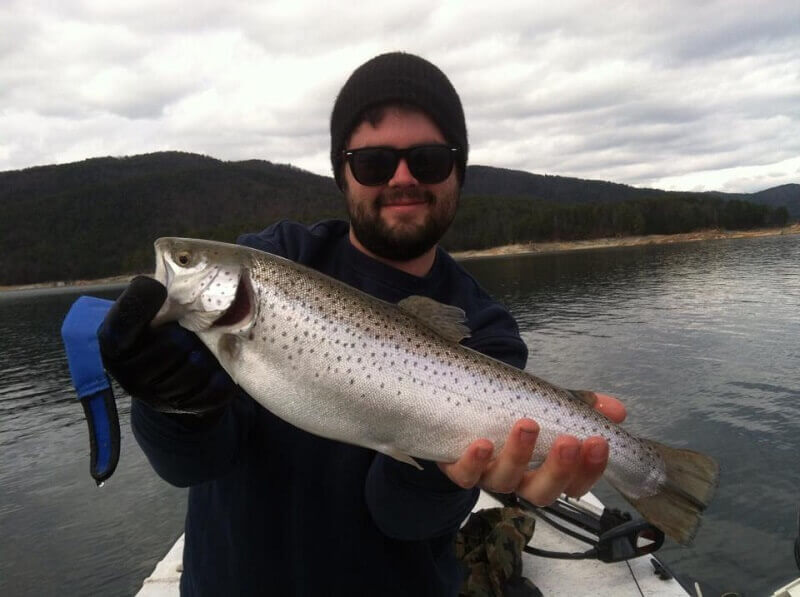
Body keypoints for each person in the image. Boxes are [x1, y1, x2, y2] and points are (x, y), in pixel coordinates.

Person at [99, 52, 625, 596]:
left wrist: (447, 478)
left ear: (458, 171)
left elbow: (402, 519)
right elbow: (192, 463)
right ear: (342, 172)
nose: (402, 178)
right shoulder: (275, 259)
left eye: (427, 159)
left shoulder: (483, 327)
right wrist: (173, 403)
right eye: (374, 163)